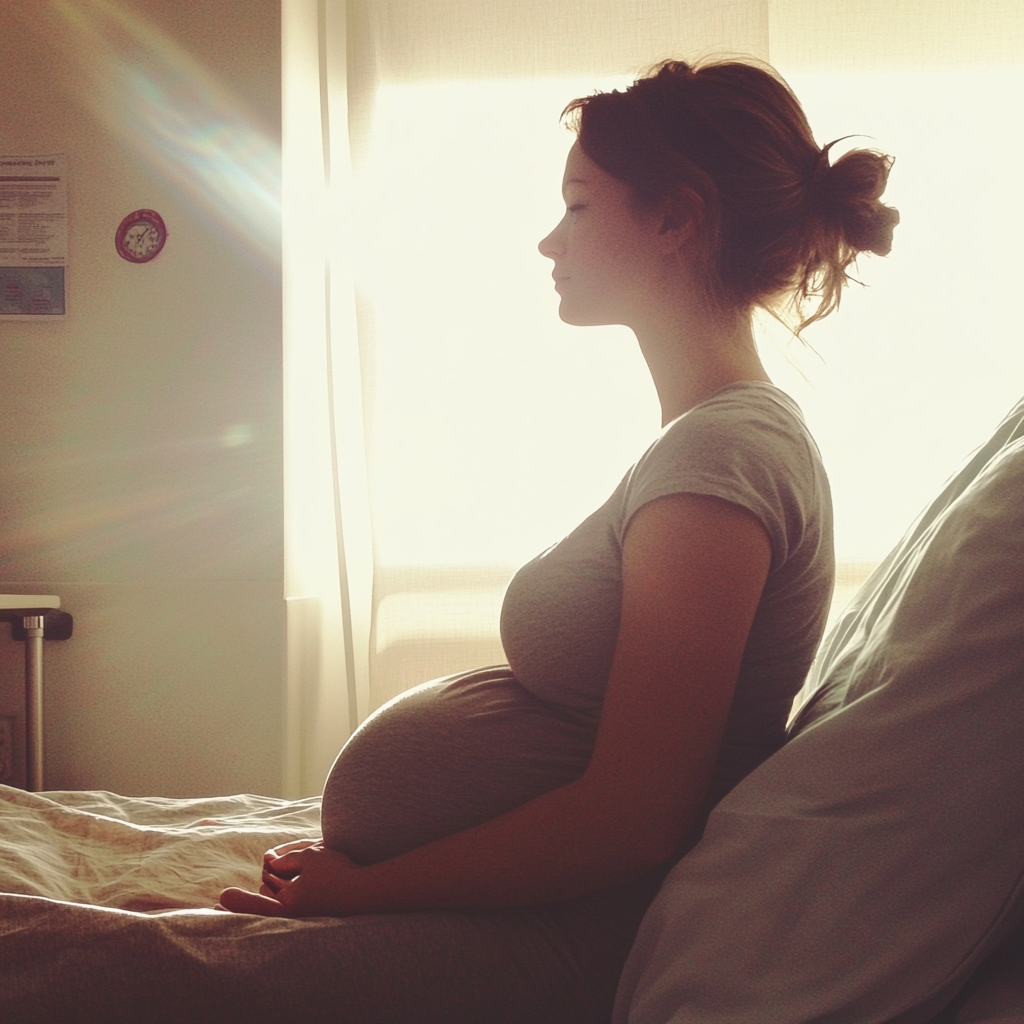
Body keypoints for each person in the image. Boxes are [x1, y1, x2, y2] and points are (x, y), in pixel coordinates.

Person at [220, 58, 898, 1021]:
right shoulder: (707, 443)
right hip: (532, 917)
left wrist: (366, 890)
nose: (550, 239)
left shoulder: (725, 458)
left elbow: (631, 819)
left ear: (675, 219)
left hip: (570, 942)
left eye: (579, 206)